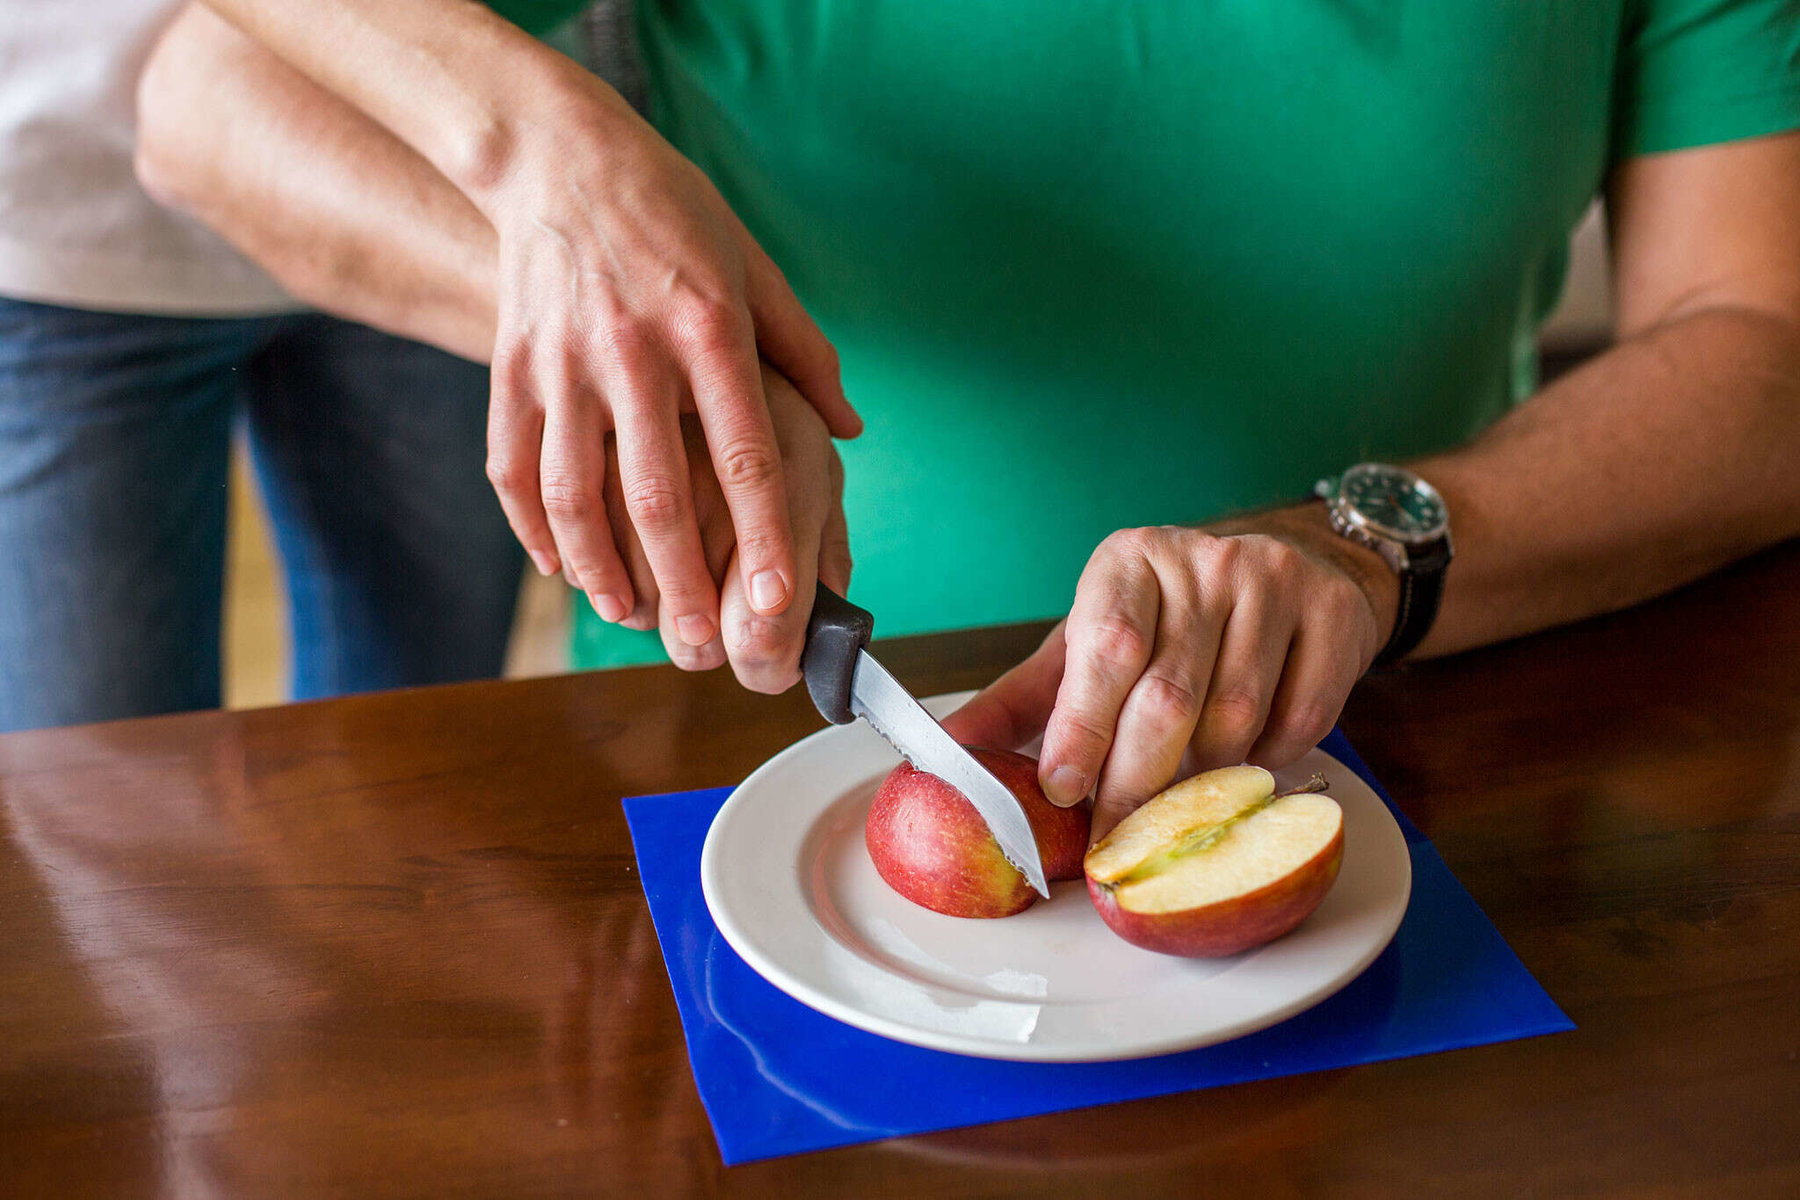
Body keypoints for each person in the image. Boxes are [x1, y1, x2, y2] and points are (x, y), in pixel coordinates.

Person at [140, 0, 1800, 838]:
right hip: (727, 775)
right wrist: (578, 214)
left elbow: (1763, 351)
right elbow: (205, 98)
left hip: (1393, 769)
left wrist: (1361, 551)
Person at [0, 2, 619, 732]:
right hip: (66, 196)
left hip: (435, 184)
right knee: (107, 787)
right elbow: (196, 94)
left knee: (413, 744)